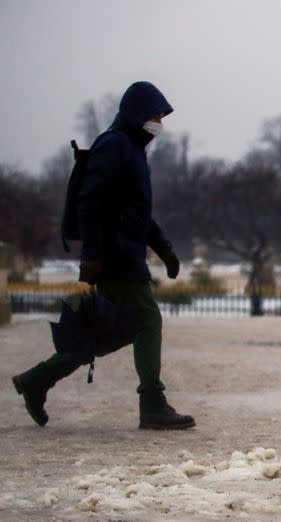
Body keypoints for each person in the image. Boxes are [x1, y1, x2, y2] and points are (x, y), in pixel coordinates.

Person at [12, 82, 195, 430]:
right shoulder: (114, 146)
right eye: (155, 114)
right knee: (146, 320)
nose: (159, 121)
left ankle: (37, 380)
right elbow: (91, 204)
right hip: (115, 255)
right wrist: (91, 260)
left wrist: (165, 249)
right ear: (137, 113)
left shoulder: (133, 150)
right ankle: (152, 403)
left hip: (125, 253)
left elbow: (138, 213)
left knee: (105, 331)